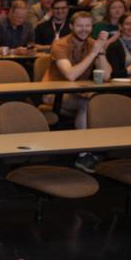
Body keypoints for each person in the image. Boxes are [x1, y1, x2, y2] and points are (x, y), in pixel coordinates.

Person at [43, 11, 111, 172]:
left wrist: (100, 50)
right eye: (80, 25)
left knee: (102, 102)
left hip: (79, 92)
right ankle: (83, 154)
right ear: (72, 26)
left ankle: (99, 148)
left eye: (88, 26)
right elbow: (71, 75)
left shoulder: (92, 44)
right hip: (54, 93)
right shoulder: (60, 44)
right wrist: (94, 52)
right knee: (87, 104)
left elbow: (107, 74)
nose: (84, 29)